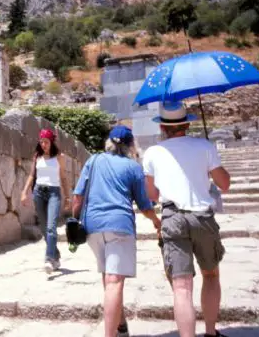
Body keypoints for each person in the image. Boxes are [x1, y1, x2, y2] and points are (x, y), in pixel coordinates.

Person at [143, 101, 232, 337]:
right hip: (202, 217)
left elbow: (151, 195)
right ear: (188, 123)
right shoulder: (204, 146)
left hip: (172, 217)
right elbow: (224, 184)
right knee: (211, 275)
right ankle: (211, 333)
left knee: (181, 287)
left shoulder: (152, 153)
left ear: (162, 127)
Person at [72, 125, 161, 337]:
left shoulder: (93, 161)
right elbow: (145, 205)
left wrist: (74, 221)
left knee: (108, 275)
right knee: (114, 281)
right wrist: (157, 222)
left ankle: (120, 326)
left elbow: (77, 197)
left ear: (108, 142)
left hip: (92, 227)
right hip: (119, 225)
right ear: (131, 146)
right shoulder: (133, 167)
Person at [20, 129, 69, 274]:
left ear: (51, 142)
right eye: (41, 142)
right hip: (38, 193)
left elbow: (63, 178)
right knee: (43, 228)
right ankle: (56, 254)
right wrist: (24, 192)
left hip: (54, 192)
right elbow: (31, 175)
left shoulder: (59, 157)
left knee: (51, 227)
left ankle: (49, 259)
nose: (43, 145)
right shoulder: (37, 156)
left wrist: (67, 197)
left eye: (46, 142)